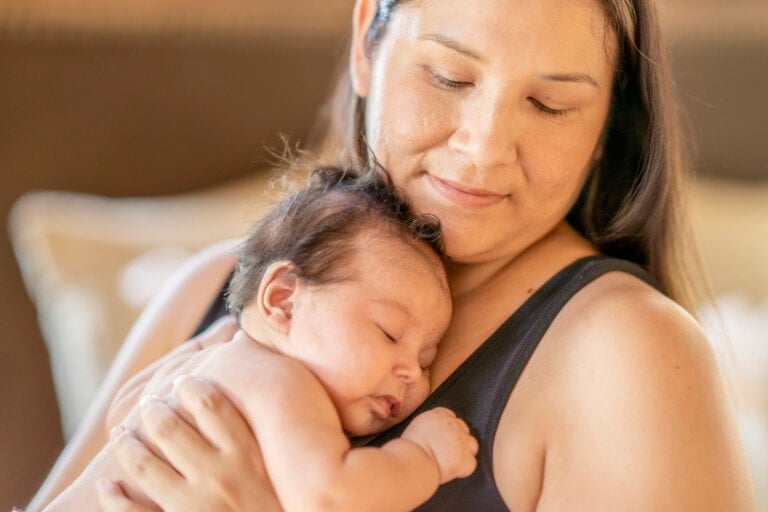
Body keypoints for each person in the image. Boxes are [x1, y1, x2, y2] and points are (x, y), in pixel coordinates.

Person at [29, 0, 755, 510]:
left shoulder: (627, 357)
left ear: (607, 120)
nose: (483, 148)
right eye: (449, 77)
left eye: (549, 105)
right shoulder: (209, 292)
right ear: (365, 44)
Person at [40, 166, 478, 512]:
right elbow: (330, 498)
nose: (411, 372)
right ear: (284, 299)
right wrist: (424, 456)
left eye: (425, 359)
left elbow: (120, 413)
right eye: (389, 333)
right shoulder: (281, 382)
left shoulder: (198, 361)